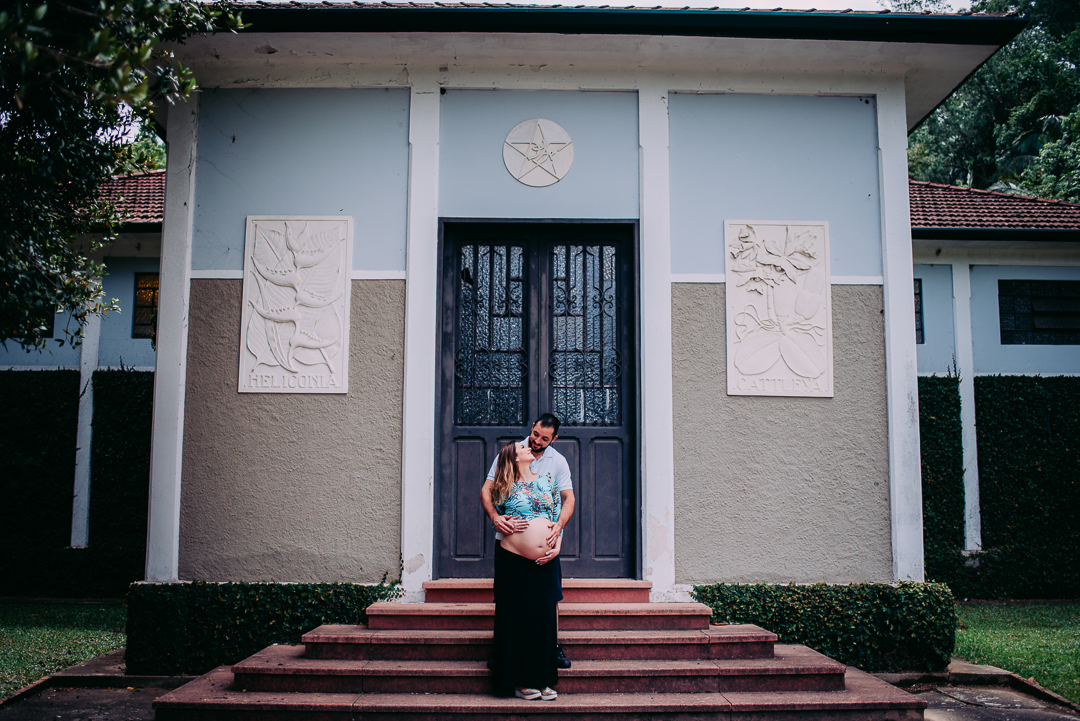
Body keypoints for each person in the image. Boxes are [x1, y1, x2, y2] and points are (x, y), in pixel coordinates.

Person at [482, 414, 575, 668]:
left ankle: (551, 648)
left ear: (553, 439)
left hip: (546, 548)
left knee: (549, 598)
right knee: (507, 597)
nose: (536, 441)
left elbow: (566, 501)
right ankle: (502, 650)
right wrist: (495, 517)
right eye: (535, 434)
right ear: (532, 427)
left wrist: (558, 536)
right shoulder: (513, 452)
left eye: (544, 439)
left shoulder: (557, 463)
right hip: (510, 545)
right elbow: (488, 489)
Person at [484, 439, 564, 700]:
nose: (528, 447)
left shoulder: (549, 480)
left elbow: (556, 516)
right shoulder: (504, 486)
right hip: (513, 560)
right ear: (515, 458)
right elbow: (496, 512)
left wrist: (558, 544)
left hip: (545, 561)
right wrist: (499, 519)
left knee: (542, 620)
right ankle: (518, 681)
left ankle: (543, 680)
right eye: (522, 449)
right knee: (516, 619)